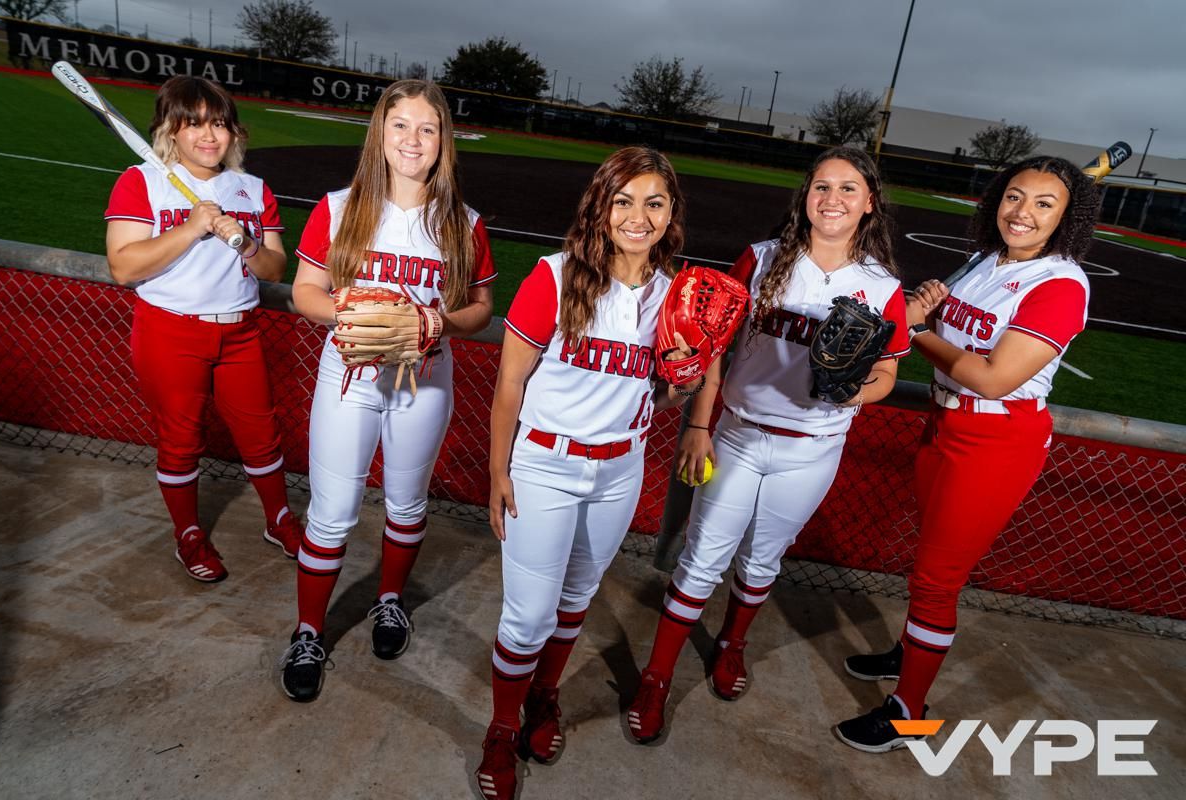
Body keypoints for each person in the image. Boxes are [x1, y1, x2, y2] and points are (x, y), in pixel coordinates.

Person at [624, 146, 911, 744]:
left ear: (870, 204)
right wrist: (699, 428)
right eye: (822, 186)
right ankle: (656, 677)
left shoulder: (881, 286)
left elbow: (886, 371)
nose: (832, 199)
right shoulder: (761, 259)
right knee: (702, 558)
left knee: (761, 561)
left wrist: (852, 389)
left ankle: (731, 644)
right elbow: (712, 350)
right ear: (805, 196)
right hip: (738, 437)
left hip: (813, 446)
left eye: (848, 189)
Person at [835, 155, 1101, 752]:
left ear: (1067, 218)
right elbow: (954, 333)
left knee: (938, 579)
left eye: (1043, 204)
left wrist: (912, 331)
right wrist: (932, 305)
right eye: (1014, 197)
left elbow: (992, 378)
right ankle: (909, 656)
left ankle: (908, 712)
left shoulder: (1059, 284)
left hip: (995, 440)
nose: (1023, 213)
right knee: (926, 559)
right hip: (944, 425)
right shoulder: (990, 262)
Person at [474, 146, 699, 800]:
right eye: (623, 200)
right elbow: (509, 385)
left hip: (618, 470)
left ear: (670, 214)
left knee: (575, 600)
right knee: (525, 619)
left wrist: (680, 390)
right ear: (600, 207)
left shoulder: (677, 295)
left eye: (654, 202)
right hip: (544, 463)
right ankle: (500, 724)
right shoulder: (554, 276)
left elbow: (651, 395)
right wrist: (498, 472)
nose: (638, 215)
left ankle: (544, 696)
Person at [280, 80, 495, 702]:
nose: (412, 140)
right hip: (349, 376)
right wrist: (346, 311)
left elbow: (481, 307)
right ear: (380, 133)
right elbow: (304, 292)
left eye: (427, 129)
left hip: (424, 379)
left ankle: (390, 601)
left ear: (443, 143)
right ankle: (308, 631)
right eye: (400, 125)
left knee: (405, 501)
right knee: (331, 512)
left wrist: (438, 321)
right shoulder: (339, 207)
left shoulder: (463, 221)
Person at [104, 75, 302, 584]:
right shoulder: (141, 180)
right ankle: (188, 534)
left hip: (240, 330)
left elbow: (276, 271)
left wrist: (246, 244)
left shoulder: (252, 190)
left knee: (262, 433)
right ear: (171, 131)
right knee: (180, 440)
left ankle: (279, 519)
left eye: (218, 123)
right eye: (192, 124)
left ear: (234, 132)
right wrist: (191, 227)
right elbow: (124, 267)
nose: (208, 135)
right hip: (170, 330)